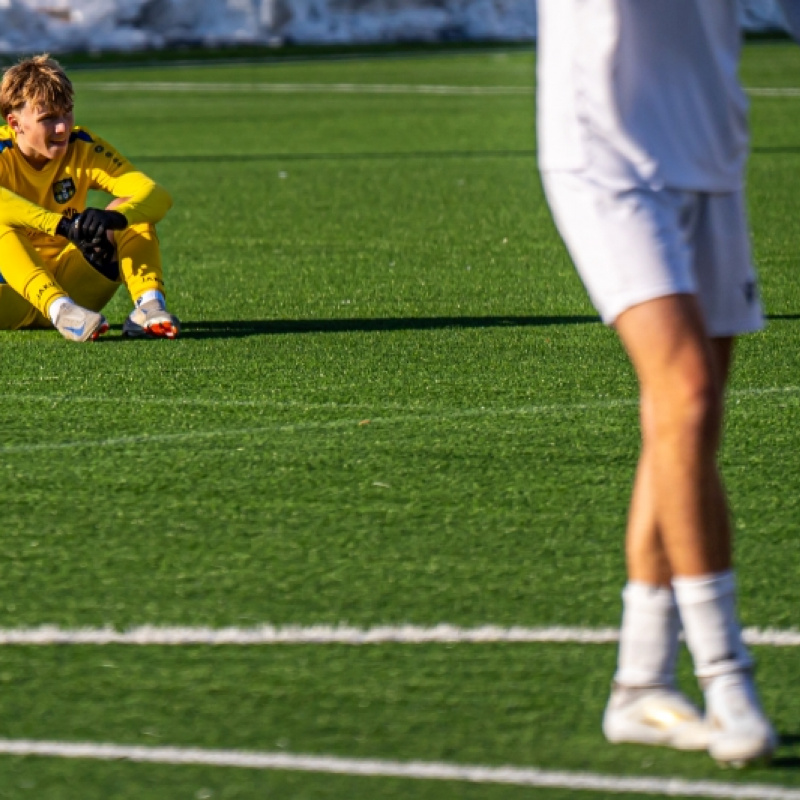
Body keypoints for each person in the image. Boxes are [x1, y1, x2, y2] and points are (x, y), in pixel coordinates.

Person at [535, 0, 799, 767]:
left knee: (689, 417)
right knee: (684, 389)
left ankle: (640, 682)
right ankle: (727, 678)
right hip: (607, 155)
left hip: (712, 147)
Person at [0, 54, 179, 342]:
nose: (62, 128)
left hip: (74, 296)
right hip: (7, 297)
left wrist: (117, 217)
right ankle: (59, 309)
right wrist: (62, 226)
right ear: (15, 122)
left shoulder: (82, 146)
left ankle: (149, 306)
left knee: (130, 207)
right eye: (48, 119)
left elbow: (156, 194)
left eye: (66, 113)